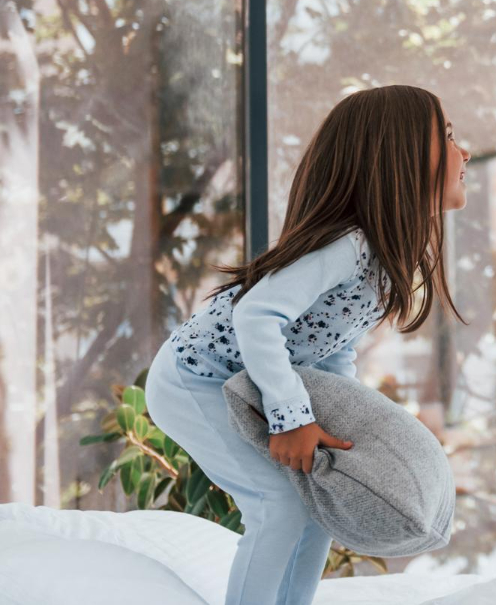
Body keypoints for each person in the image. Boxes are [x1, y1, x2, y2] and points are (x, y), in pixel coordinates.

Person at [145, 85, 469, 605]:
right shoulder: (349, 244)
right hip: (193, 380)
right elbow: (258, 314)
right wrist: (292, 417)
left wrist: (338, 422)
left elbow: (333, 349)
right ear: (400, 156)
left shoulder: (385, 258)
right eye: (449, 137)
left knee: (317, 506)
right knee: (279, 505)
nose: (464, 152)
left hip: (246, 384)